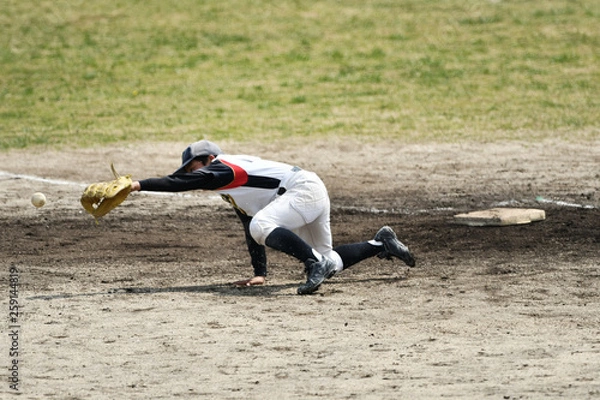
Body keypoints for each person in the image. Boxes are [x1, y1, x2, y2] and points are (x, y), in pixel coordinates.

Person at [130, 140, 416, 294]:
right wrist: (260, 273)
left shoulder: (224, 169)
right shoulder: (228, 186)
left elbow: (179, 184)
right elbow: (248, 222)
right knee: (329, 262)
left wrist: (138, 185)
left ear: (208, 160)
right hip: (305, 192)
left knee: (264, 226)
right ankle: (381, 244)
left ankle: (312, 262)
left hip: (301, 191)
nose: (193, 175)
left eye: (193, 168)